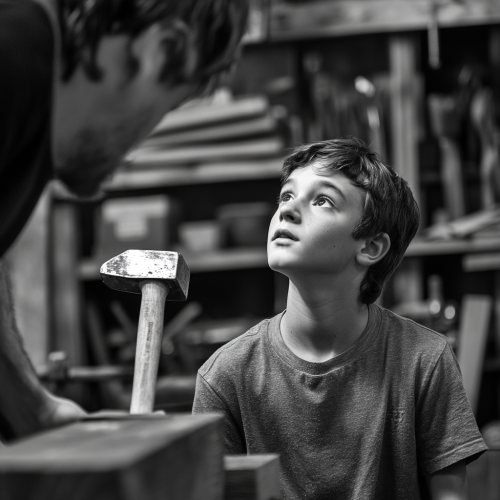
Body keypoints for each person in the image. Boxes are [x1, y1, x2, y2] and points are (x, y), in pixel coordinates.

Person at [0, 0, 249, 441]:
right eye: (163, 111)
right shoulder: (11, 57)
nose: (136, 147)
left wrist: (30, 406)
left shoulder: (32, 96)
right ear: (163, 49)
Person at [192, 137, 487, 500]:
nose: (287, 210)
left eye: (322, 200)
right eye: (286, 196)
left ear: (370, 247)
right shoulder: (225, 376)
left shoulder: (424, 360)